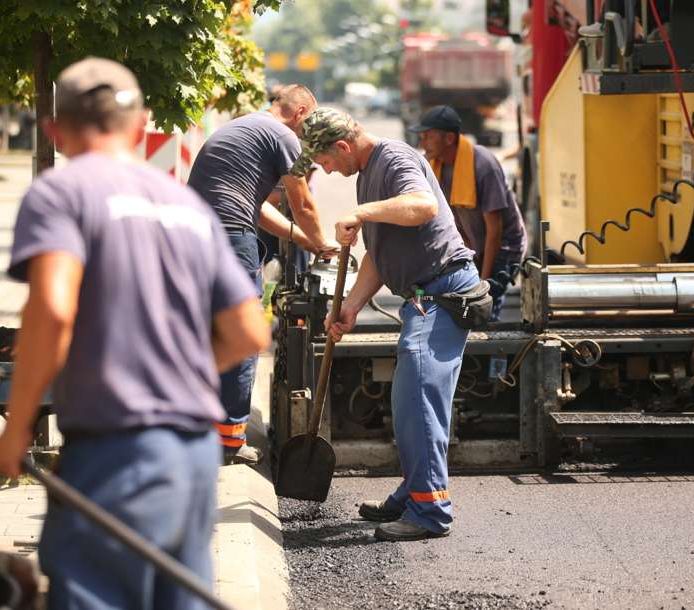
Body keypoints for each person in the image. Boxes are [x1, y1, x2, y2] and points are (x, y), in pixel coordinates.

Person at [0, 57, 269, 609]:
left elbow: (51, 310)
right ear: (142, 123)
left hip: (113, 451)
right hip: (191, 453)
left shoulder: (63, 194)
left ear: (54, 128)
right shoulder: (185, 205)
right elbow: (247, 331)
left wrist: (16, 429)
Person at [292, 107, 479, 542]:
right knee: (410, 401)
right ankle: (415, 489)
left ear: (342, 146)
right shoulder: (367, 175)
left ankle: (429, 511)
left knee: (417, 401)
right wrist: (352, 307)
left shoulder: (393, 159)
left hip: (443, 295)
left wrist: (365, 212)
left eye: (326, 162)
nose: (329, 171)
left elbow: (423, 206)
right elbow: (379, 253)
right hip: (423, 299)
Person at [187, 84, 337, 464]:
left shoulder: (246, 127)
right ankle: (230, 440)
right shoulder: (283, 134)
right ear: (301, 112)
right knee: (243, 334)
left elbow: (257, 210)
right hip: (229, 237)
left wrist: (305, 241)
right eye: (310, 124)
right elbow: (302, 202)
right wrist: (323, 245)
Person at [412, 105, 527, 321]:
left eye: (428, 136)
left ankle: (496, 355)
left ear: (449, 139)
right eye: (421, 136)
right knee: (462, 310)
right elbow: (452, 220)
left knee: (483, 309)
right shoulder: (435, 167)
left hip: (503, 248)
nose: (422, 142)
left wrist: (482, 282)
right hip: (475, 247)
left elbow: (495, 230)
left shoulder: (483, 164)